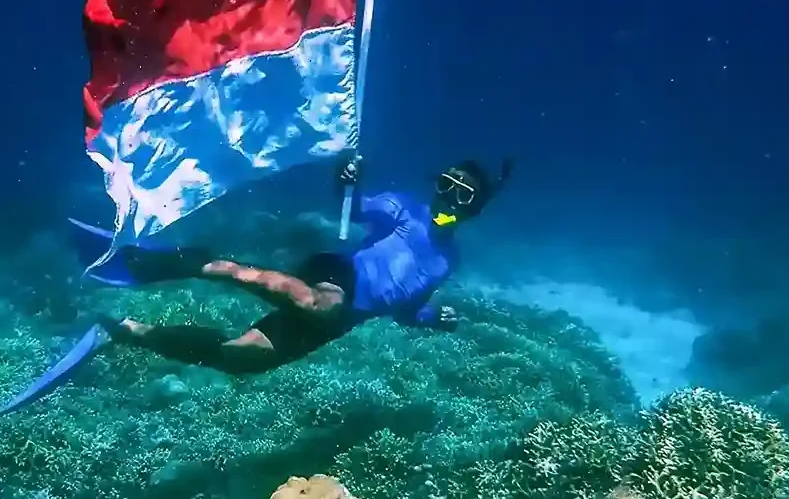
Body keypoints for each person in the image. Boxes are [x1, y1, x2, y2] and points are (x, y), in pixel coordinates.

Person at [97, 155, 512, 374]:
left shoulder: (446, 261)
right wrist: (346, 177)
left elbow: (405, 307)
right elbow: (355, 205)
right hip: (337, 276)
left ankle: (132, 333)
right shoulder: (403, 208)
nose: (447, 199)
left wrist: (430, 318)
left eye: (462, 195)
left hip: (343, 318)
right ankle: (166, 263)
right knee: (321, 303)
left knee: (242, 359)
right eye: (445, 185)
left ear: (474, 209)